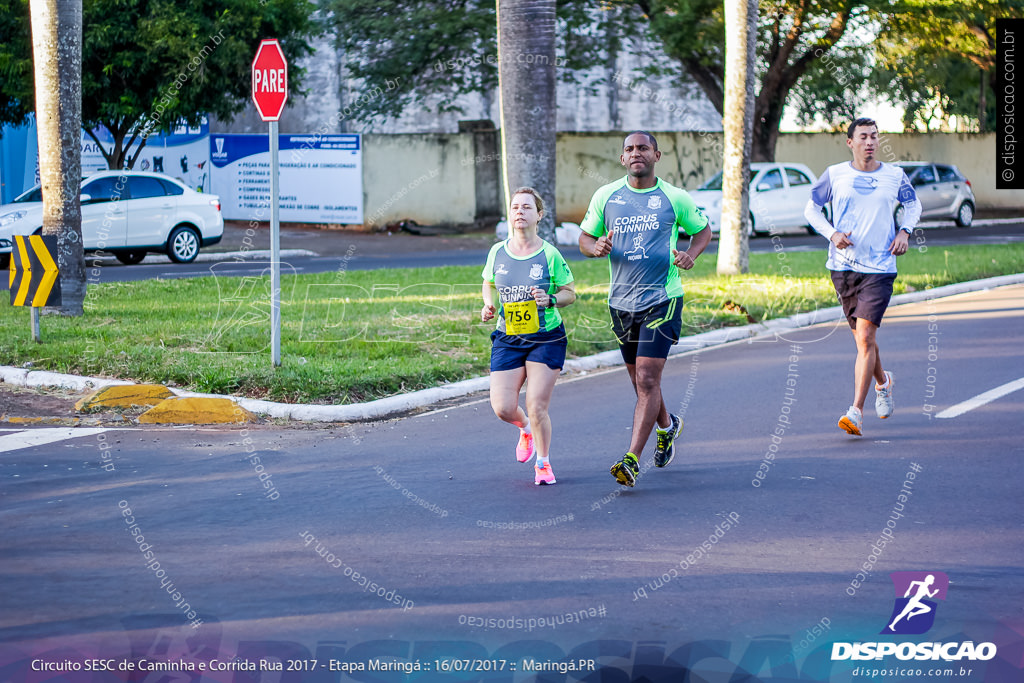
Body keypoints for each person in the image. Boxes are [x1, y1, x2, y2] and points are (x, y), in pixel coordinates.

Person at [579, 131, 711, 487]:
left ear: (657, 154)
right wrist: (594, 248)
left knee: (648, 380)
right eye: (629, 149)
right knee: (642, 385)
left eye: (643, 148)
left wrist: (690, 254)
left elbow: (702, 230)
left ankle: (631, 460)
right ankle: (667, 427)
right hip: (620, 302)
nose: (636, 153)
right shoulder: (606, 196)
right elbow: (585, 237)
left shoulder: (674, 197)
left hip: (662, 299)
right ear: (623, 159)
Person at [804, 117, 922, 436]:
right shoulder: (835, 175)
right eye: (863, 137)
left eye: (874, 136)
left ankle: (855, 411)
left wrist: (905, 232)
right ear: (850, 142)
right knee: (862, 339)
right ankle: (883, 383)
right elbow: (811, 209)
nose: (870, 142)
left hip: (881, 267)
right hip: (842, 267)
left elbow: (914, 205)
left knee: (866, 336)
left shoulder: (894, 175)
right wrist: (832, 233)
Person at [482, 187, 576, 485]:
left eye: (526, 207)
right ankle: (524, 429)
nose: (519, 211)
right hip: (508, 337)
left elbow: (570, 293)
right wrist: (488, 304)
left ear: (539, 215)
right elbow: (488, 282)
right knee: (503, 408)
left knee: (536, 405)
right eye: (515, 207)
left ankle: (544, 464)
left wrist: (549, 299)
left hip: (545, 337)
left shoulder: (549, 253)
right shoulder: (497, 251)